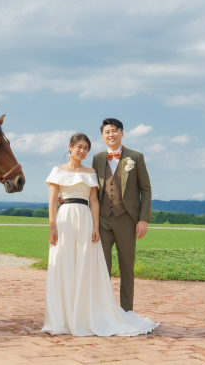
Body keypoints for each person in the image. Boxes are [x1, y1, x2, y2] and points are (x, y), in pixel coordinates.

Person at [42, 133, 157, 336]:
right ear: (69, 147)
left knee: (87, 266)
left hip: (86, 219)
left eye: (86, 147)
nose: (82, 150)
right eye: (78, 146)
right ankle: (63, 317)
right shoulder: (57, 171)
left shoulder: (91, 171)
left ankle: (87, 314)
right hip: (65, 219)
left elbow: (94, 200)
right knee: (64, 264)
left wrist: (95, 226)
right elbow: (52, 201)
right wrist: (52, 227)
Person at [91, 118, 152, 313]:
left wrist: (143, 219)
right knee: (102, 268)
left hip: (127, 219)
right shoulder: (97, 158)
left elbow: (146, 189)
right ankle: (103, 311)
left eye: (115, 131)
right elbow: (91, 189)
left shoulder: (136, 157)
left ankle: (127, 312)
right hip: (102, 219)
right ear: (102, 136)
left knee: (127, 268)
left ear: (122, 133)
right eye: (107, 132)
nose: (111, 134)